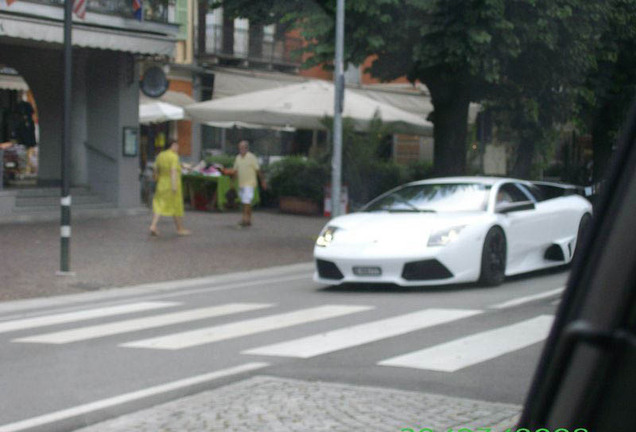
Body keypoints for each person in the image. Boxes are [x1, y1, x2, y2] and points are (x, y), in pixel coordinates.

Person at [149, 140, 191, 236]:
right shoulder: (174, 156)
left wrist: (156, 178)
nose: (177, 148)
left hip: (161, 183)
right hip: (172, 184)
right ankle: (180, 229)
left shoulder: (160, 155)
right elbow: (173, 171)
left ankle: (153, 225)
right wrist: (174, 186)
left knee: (159, 204)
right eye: (176, 146)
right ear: (172, 145)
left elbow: (155, 169)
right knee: (176, 206)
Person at [228, 140, 266, 227]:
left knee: (246, 200)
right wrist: (232, 182)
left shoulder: (252, 157)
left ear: (246, 148)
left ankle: (244, 219)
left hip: (250, 183)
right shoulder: (238, 158)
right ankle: (249, 219)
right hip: (241, 183)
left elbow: (258, 170)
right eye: (240, 147)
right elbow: (236, 171)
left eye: (243, 147)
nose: (241, 149)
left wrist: (262, 181)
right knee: (246, 202)